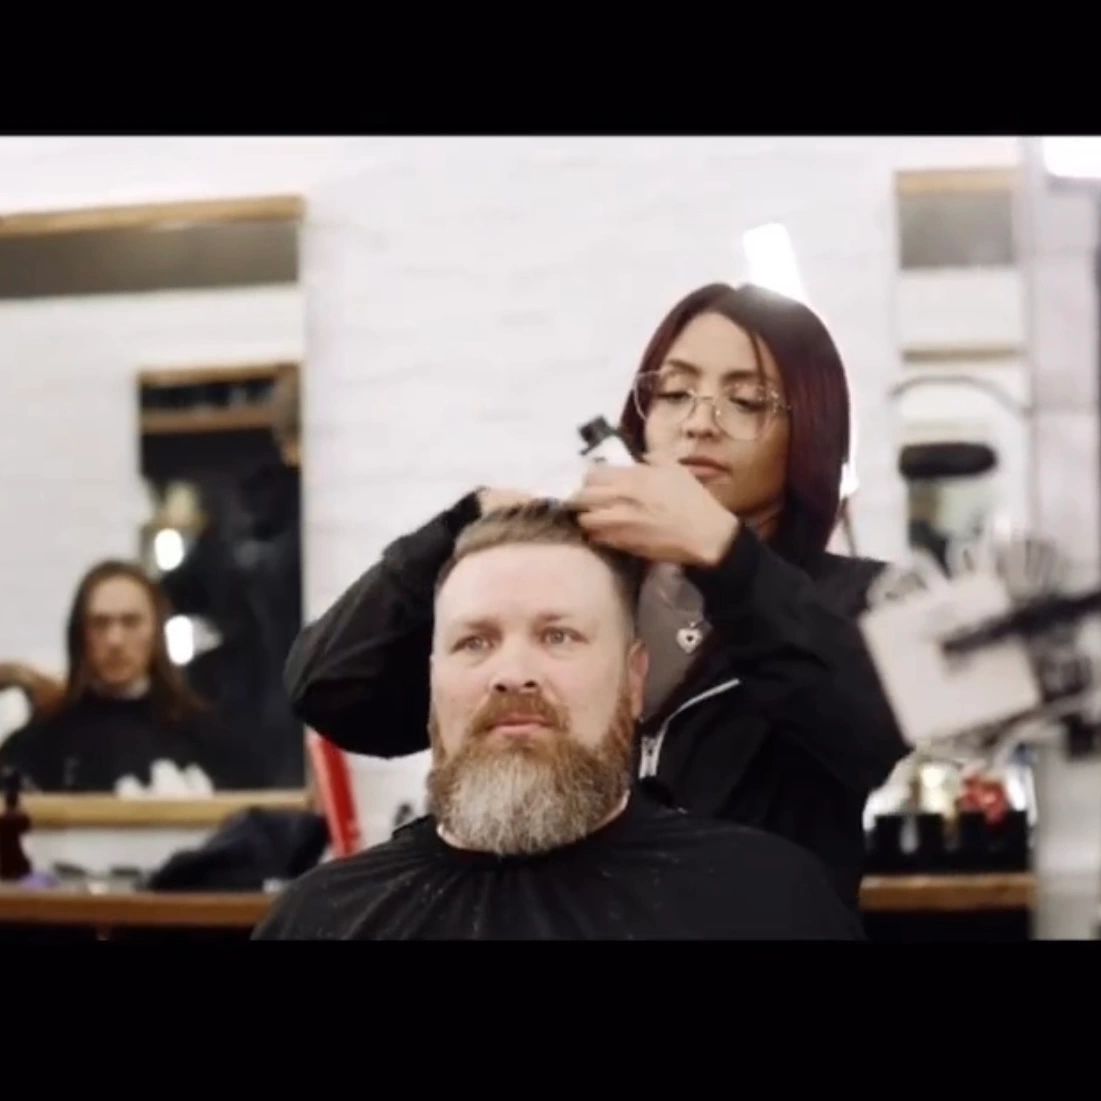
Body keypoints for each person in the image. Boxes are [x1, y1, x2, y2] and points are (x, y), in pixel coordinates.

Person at [284, 282, 909, 906]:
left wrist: (728, 559)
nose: (698, 423)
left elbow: (875, 732)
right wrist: (454, 529)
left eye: (745, 402)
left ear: (811, 429)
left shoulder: (859, 602)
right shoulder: (581, 588)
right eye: (674, 393)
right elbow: (333, 690)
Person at [255, 503, 862, 940]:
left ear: (633, 680)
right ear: (434, 682)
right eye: (475, 642)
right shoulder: (322, 921)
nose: (513, 673)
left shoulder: (761, 902)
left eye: (558, 636)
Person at [0, 560, 241, 792]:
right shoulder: (39, 744)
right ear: (81, 634)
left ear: (155, 630)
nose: (115, 640)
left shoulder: (206, 737)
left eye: (131, 622)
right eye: (100, 623)